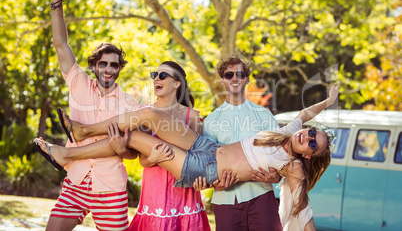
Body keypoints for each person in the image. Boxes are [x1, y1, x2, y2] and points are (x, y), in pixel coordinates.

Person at [35, 84, 339, 231]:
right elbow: (303, 114)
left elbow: (303, 212)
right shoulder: (283, 134)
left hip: (204, 169)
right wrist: (329, 101)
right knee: (151, 115)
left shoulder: (293, 167)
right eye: (312, 133)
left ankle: (66, 153)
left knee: (137, 138)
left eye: (313, 143)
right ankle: (83, 130)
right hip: (206, 147)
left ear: (311, 155)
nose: (308, 137)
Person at [42, 0, 139, 231]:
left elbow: (132, 152)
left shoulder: (131, 105)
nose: (109, 69)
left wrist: (122, 150)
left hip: (110, 187)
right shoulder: (78, 82)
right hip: (75, 180)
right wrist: (57, 0)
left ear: (120, 68)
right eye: (104, 64)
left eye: (115, 65)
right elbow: (61, 43)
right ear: (94, 66)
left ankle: (63, 153)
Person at [198, 55, 282, 230]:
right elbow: (207, 164)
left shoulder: (264, 116)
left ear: (247, 79)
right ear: (222, 80)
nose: (235, 79)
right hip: (225, 199)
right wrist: (215, 182)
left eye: (240, 74)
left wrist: (276, 176)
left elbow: (280, 157)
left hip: (262, 196)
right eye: (229, 75)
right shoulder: (211, 121)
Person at [128, 61, 211, 230]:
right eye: (155, 75)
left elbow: (199, 158)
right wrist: (153, 158)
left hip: (185, 193)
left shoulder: (192, 116)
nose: (156, 79)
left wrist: (201, 182)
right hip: (155, 189)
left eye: (163, 75)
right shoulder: (145, 113)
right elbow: (142, 160)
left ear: (176, 83)